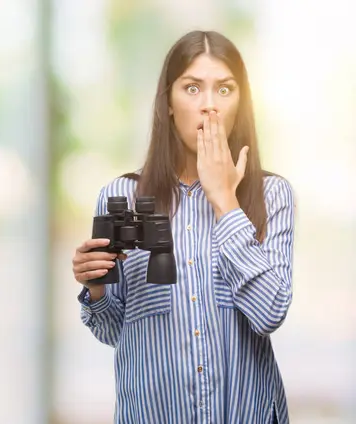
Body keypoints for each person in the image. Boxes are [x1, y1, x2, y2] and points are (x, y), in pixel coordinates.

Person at [72, 30, 295, 424]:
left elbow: (270, 313)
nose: (209, 106)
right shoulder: (121, 196)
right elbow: (111, 331)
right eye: (192, 88)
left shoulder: (271, 195)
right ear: (169, 104)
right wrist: (96, 286)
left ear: (240, 102)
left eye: (224, 90)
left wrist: (225, 201)